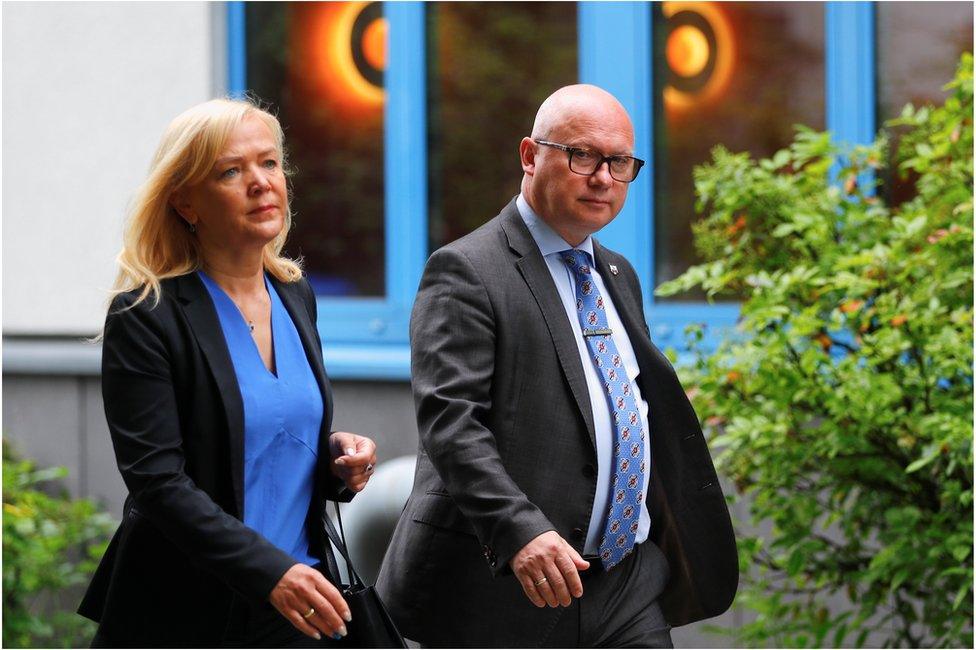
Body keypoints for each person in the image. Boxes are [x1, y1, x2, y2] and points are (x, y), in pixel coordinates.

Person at [377, 85, 737, 647]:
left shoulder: (617, 275)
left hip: (624, 582)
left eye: (619, 162)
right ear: (529, 155)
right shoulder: (466, 271)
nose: (603, 178)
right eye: (583, 156)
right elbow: (451, 426)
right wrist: (520, 532)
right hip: (509, 587)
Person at [78, 98, 379, 647]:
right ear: (185, 203)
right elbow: (158, 483)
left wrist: (337, 458)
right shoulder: (146, 315)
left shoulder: (294, 295)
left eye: (269, 163)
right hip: (193, 609)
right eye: (231, 171)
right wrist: (271, 573)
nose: (261, 182)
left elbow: (265, 431)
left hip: (302, 601)